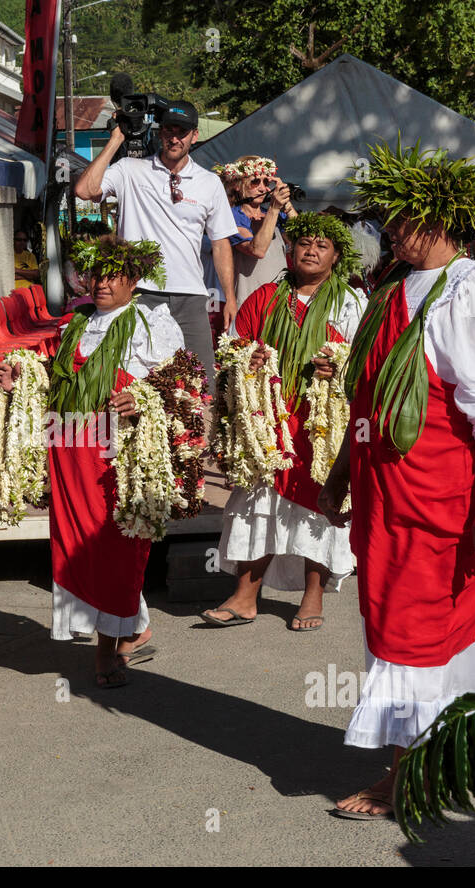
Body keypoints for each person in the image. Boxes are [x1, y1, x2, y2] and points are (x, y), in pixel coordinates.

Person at [316, 143, 475, 819]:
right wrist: (341, 470)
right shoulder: (388, 291)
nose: (393, 229)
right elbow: (369, 401)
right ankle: (474, 743)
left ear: (447, 220)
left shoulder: (473, 289)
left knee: (419, 632)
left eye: (408, 218)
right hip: (387, 496)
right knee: (416, 627)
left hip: (440, 496)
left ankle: (405, 776)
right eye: (389, 218)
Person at [0, 235, 184, 688]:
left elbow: (181, 386)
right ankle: (132, 627)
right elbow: (54, 385)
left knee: (112, 545)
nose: (101, 283)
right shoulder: (75, 323)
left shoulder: (151, 322)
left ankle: (106, 652)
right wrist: (19, 381)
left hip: (116, 454)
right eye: (96, 273)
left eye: (113, 274)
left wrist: (145, 397)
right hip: (69, 450)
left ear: (135, 279)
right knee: (75, 542)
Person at [202, 213, 366, 631]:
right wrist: (248, 359)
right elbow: (232, 348)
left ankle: (313, 596)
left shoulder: (351, 302)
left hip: (321, 427)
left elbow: (367, 361)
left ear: (336, 257)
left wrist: (340, 366)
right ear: (289, 250)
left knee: (318, 505)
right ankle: (244, 597)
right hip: (269, 423)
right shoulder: (264, 298)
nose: (310, 250)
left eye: (321, 245)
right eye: (304, 243)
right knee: (259, 502)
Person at [73, 101, 237, 393]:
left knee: (202, 387)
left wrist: (230, 297)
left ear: (194, 136)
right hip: (140, 293)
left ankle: (198, 440)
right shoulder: (130, 169)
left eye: (182, 132)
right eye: (169, 130)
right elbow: (85, 190)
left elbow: (221, 242)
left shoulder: (209, 183)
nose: (175, 138)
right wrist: (115, 139)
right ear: (160, 133)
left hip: (190, 297)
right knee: (140, 384)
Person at [212, 155, 298, 312]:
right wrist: (274, 208)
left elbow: (303, 238)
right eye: (255, 181)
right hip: (250, 304)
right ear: (238, 185)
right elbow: (256, 250)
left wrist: (287, 204)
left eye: (266, 182)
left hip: (280, 301)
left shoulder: (273, 213)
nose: (263, 188)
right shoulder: (232, 215)